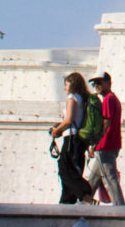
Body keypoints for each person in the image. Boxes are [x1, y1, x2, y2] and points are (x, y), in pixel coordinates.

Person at [48, 71, 92, 204]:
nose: (64, 88)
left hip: (71, 140)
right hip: (79, 140)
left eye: (66, 85)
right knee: (71, 174)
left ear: (72, 85)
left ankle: (86, 195)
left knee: (64, 170)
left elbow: (68, 120)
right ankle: (66, 205)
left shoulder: (73, 97)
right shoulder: (83, 98)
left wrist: (57, 130)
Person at [84, 71, 125, 206]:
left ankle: (120, 209)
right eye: (94, 83)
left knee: (109, 180)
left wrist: (95, 142)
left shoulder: (108, 99)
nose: (96, 85)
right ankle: (83, 203)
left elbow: (106, 122)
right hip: (110, 145)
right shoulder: (113, 99)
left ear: (108, 82)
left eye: (99, 82)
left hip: (105, 146)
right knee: (93, 179)